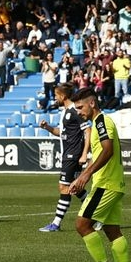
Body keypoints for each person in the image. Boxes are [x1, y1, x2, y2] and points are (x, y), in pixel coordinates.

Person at [68, 87, 131, 262]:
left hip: (106, 184)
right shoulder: (97, 124)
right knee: (112, 230)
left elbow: (107, 150)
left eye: (80, 107)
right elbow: (99, 153)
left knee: (82, 224)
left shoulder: (102, 121)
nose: (78, 112)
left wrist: (85, 175)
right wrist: (83, 176)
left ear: (92, 103)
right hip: (114, 184)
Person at [38, 83, 90, 232]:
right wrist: (47, 127)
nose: (55, 98)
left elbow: (88, 130)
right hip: (68, 153)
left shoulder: (74, 110)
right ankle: (97, 216)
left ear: (63, 96)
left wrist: (84, 153)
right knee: (76, 189)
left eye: (56, 95)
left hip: (72, 155)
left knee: (64, 187)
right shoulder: (65, 111)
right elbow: (61, 133)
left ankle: (56, 223)